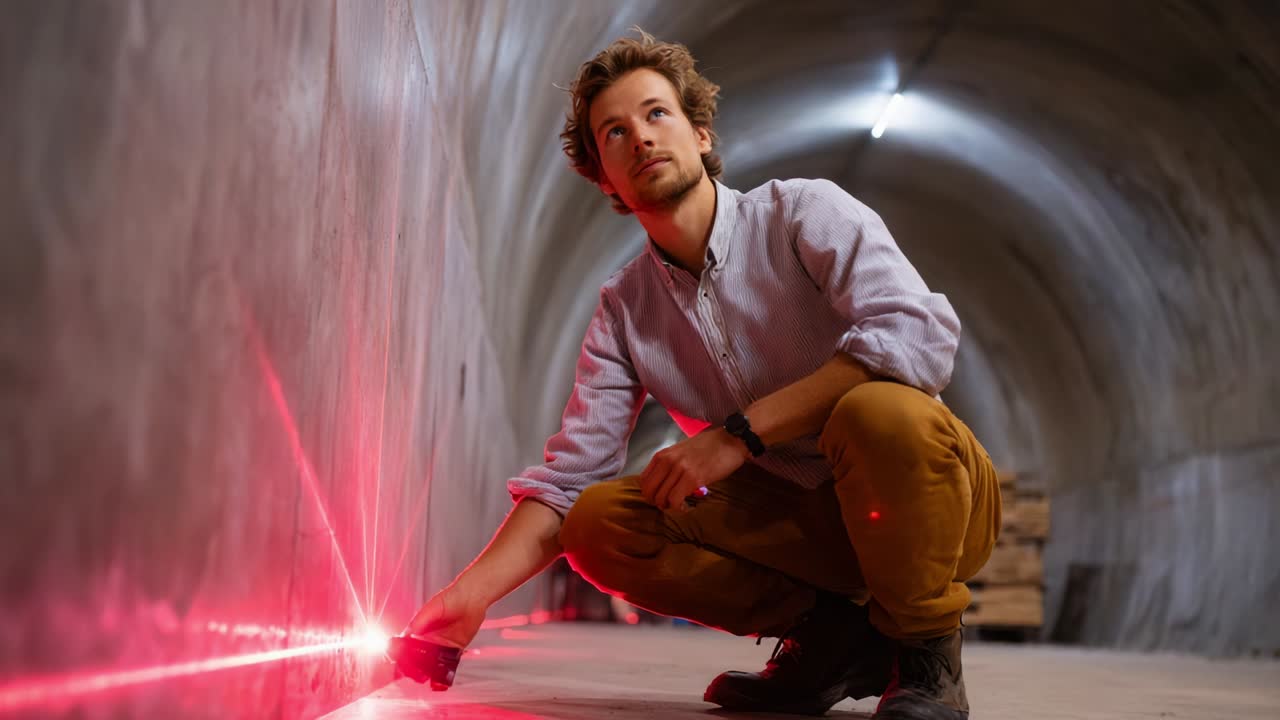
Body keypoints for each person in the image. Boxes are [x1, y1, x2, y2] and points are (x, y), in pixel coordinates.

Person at [405, 30, 1000, 719]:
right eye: (615, 134)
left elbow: (917, 335)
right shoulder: (624, 311)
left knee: (878, 412)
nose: (642, 138)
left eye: (657, 114)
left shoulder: (802, 213)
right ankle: (831, 638)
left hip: (931, 508)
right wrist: (467, 598)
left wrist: (735, 437)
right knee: (598, 524)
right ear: (606, 179)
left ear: (701, 132)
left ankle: (927, 655)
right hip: (804, 530)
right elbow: (569, 483)